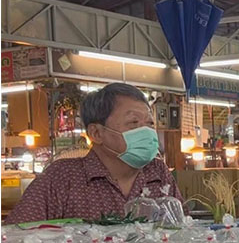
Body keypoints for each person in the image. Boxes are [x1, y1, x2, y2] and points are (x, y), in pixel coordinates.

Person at [6, 83, 183, 223]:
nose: (146, 132)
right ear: (96, 133)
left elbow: (184, 232)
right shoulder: (61, 178)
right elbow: (16, 238)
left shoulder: (158, 173)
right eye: (133, 123)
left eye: (150, 124)